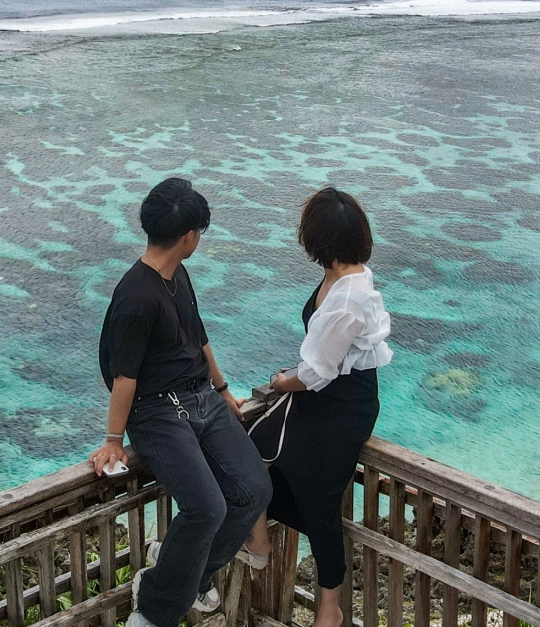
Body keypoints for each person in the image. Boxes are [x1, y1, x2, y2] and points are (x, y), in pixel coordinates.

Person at [90, 177, 272, 627]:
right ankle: (153, 610)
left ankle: (187, 570)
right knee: (207, 508)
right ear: (189, 236)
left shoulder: (177, 274)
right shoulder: (136, 296)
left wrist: (222, 388)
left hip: (201, 395)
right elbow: (124, 377)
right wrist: (113, 438)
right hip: (156, 411)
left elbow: (198, 335)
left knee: (254, 490)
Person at [243, 187, 393, 627]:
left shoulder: (347, 298)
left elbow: (317, 373)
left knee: (319, 497)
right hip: (324, 393)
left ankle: (330, 607)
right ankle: (258, 539)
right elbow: (327, 358)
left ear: (316, 239)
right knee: (253, 448)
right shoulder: (341, 275)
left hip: (343, 405)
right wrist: (300, 374)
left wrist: (283, 381)